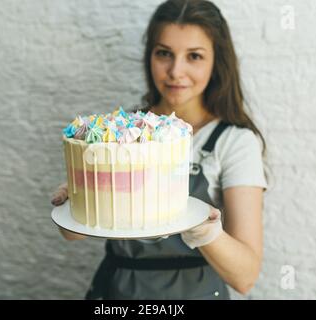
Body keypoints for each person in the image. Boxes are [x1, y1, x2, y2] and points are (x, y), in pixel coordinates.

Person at [51, 0, 267, 299]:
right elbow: (71, 233)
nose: (176, 71)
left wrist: (208, 233)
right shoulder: (122, 132)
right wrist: (83, 195)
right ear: (149, 55)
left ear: (217, 61)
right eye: (164, 53)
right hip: (117, 294)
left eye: (194, 56)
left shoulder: (234, 142)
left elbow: (245, 277)